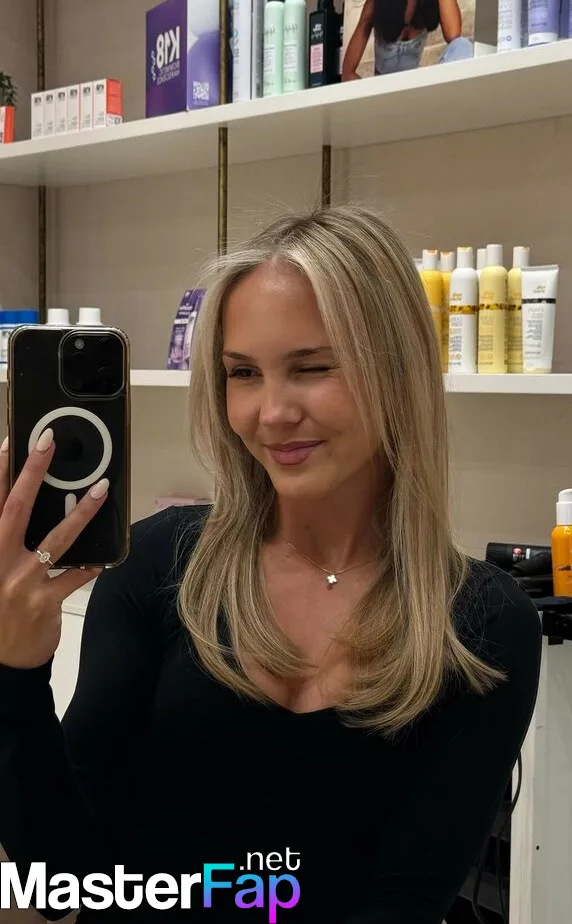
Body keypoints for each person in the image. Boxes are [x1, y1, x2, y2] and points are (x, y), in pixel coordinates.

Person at [0, 204, 541, 923]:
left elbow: (404, 903)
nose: (271, 412)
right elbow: (62, 876)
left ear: (399, 370)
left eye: (311, 368)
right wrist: (16, 673)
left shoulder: (483, 624)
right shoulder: (159, 567)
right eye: (243, 373)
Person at [342, 0, 474, 80]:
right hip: (384, 94)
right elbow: (348, 73)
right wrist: (373, 96)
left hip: (414, 90)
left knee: (463, 46)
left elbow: (454, 36)